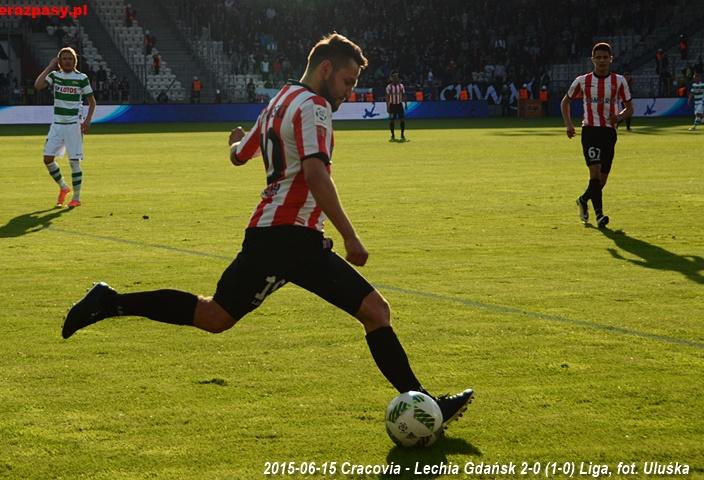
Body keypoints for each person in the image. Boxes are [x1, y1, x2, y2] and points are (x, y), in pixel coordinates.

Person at [62, 33, 473, 429]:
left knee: (214, 315)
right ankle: (425, 404)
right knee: (376, 312)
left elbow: (240, 156)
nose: (349, 92)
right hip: (292, 236)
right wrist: (349, 234)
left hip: (266, 233)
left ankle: (110, 301)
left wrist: (235, 141)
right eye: (348, 81)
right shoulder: (314, 107)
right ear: (326, 68)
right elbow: (314, 172)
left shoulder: (280, 98)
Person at [561, 42, 632, 228]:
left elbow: (630, 108)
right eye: (598, 57)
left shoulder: (619, 81)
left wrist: (619, 116)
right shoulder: (582, 81)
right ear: (592, 60)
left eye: (605, 57)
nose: (601, 60)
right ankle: (600, 215)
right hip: (590, 131)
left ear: (611, 59)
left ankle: (583, 200)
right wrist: (568, 125)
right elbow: (565, 102)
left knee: (602, 180)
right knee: (594, 174)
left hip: (609, 132)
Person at [34, 47, 96, 208]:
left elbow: (92, 102)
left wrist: (87, 121)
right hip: (57, 125)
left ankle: (76, 197)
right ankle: (63, 187)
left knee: (74, 162)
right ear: (60, 62)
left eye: (70, 58)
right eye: (64, 59)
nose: (67, 61)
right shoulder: (55, 76)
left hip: (74, 125)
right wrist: (49, 67)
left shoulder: (81, 78)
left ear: (75, 61)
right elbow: (38, 85)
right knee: (47, 159)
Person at [386, 71, 406, 141]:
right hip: (392, 105)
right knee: (392, 120)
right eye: (394, 77)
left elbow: (403, 95)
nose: (396, 78)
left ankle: (402, 134)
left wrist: (405, 104)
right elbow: (388, 97)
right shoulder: (389, 87)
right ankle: (392, 135)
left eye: (397, 77)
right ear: (391, 78)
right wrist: (387, 106)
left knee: (402, 120)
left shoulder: (401, 86)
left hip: (399, 104)